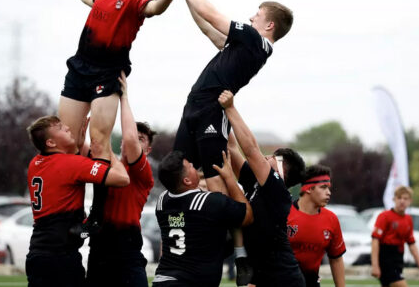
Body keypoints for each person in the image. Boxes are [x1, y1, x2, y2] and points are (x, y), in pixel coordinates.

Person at [167, 0, 293, 195]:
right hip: (195, 104)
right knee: (178, 169)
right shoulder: (247, 46)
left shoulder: (255, 40)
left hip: (212, 109)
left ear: (270, 24)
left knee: (213, 175)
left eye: (257, 15)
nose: (251, 17)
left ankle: (218, 229)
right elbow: (208, 28)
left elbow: (212, 15)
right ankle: (185, 220)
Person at [59, 0, 178, 161]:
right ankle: (69, 194)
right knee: (66, 142)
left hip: (108, 73)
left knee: (98, 144)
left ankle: (101, 195)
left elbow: (155, 9)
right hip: (78, 67)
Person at [24, 115, 129, 287]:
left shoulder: (35, 163)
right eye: (59, 128)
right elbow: (122, 178)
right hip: (60, 257)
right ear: (50, 143)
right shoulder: (72, 164)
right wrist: (105, 150)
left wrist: (78, 145)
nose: (66, 127)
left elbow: (62, 170)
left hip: (38, 254)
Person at [219, 89, 306, 287]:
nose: (266, 158)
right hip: (261, 276)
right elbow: (232, 148)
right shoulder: (256, 182)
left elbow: (250, 149)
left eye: (273, 158)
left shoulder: (278, 191)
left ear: (282, 171)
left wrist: (230, 107)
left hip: (284, 280)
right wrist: (219, 113)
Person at [85, 72, 155, 286]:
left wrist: (124, 97)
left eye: (142, 138)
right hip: (99, 246)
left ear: (148, 149)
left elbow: (130, 139)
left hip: (127, 248)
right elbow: (80, 147)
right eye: (133, 135)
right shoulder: (108, 163)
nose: (132, 138)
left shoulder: (143, 173)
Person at [152, 150, 253, 287]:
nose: (193, 165)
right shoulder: (208, 203)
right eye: (190, 167)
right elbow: (247, 216)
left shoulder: (162, 201)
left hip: (162, 280)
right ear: (186, 180)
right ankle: (240, 255)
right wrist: (229, 178)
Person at [287, 164, 346, 287]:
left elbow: (336, 259)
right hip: (282, 280)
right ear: (309, 188)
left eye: (329, 188)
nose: (328, 193)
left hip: (311, 281)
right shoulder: (284, 214)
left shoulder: (331, 219)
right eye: (323, 187)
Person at [371, 185, 419, 287]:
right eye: (399, 198)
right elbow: (375, 240)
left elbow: (411, 244)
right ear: (394, 199)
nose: (402, 201)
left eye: (405, 198)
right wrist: (375, 265)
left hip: (398, 259)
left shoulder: (408, 219)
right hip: (385, 259)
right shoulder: (384, 216)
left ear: (410, 201)